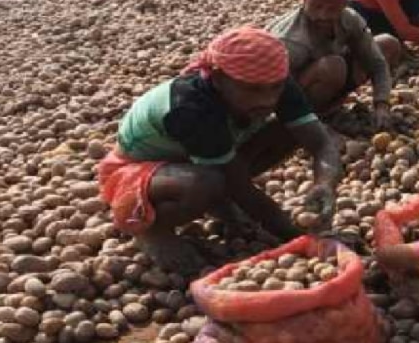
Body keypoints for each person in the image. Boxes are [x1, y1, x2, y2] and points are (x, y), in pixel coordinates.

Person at [97, 27, 343, 276]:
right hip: (135, 173)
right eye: (253, 90)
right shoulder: (192, 107)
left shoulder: (273, 79)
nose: (268, 100)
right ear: (217, 78)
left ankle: (219, 201)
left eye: (274, 89)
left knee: (287, 131)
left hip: (202, 156)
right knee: (206, 182)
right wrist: (298, 236)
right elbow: (239, 185)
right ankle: (152, 230)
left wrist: (325, 184)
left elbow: (321, 143)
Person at [267, 0, 402, 133]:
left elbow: (377, 63)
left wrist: (382, 104)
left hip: (333, 75)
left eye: (332, 9)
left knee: (387, 44)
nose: (323, 15)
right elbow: (274, 91)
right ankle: (322, 115)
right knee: (333, 66)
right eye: (316, 7)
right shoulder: (290, 39)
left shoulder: (350, 18)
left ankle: (335, 102)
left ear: (345, 4)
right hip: (295, 92)